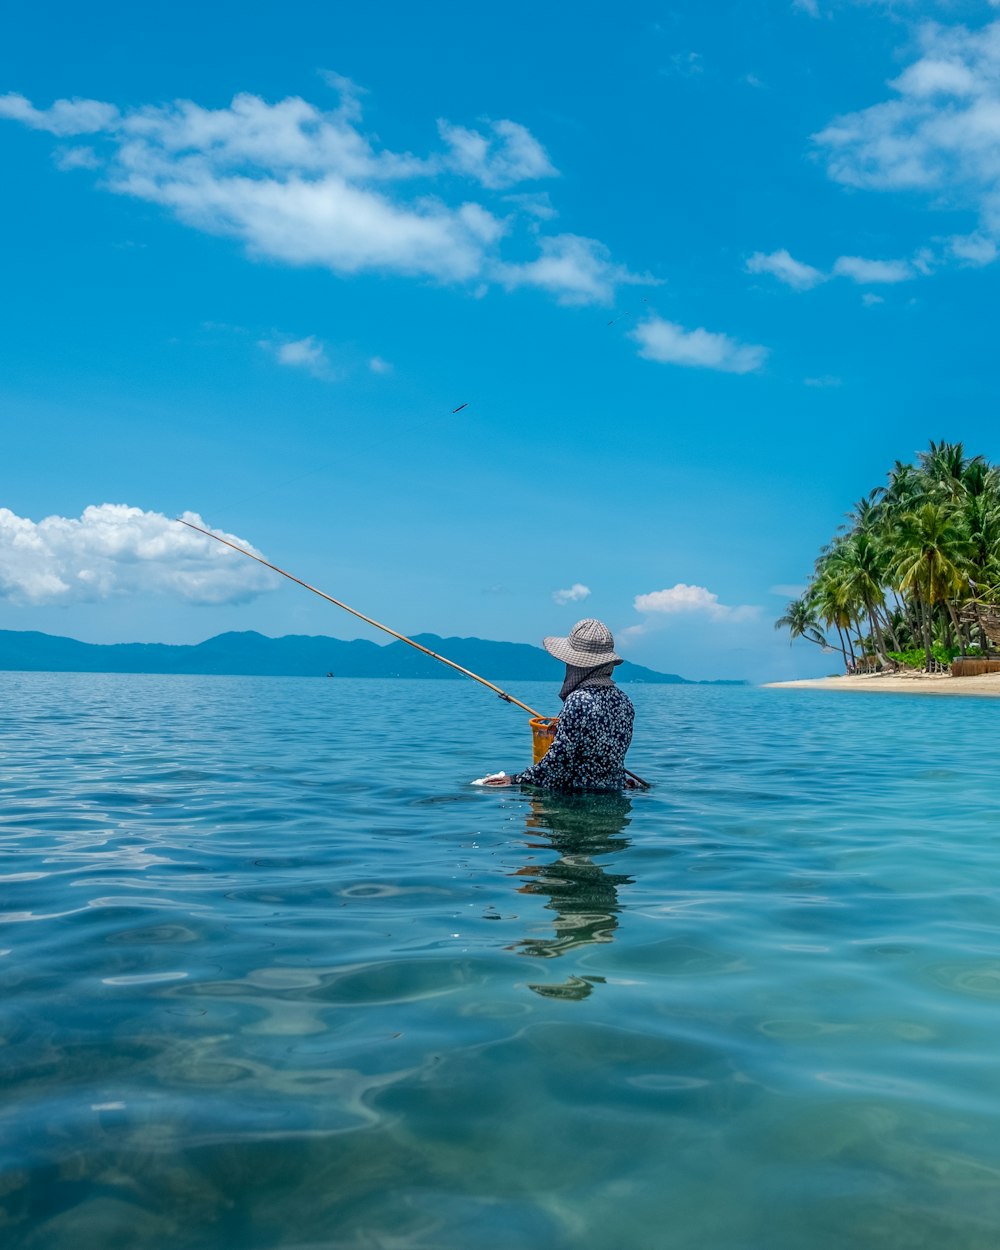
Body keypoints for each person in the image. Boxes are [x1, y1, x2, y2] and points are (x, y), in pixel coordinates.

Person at [485, 618, 635, 792]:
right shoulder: (625, 702)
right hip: (614, 807)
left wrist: (515, 779)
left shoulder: (578, 700)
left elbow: (557, 764)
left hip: (576, 804)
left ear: (577, 665)